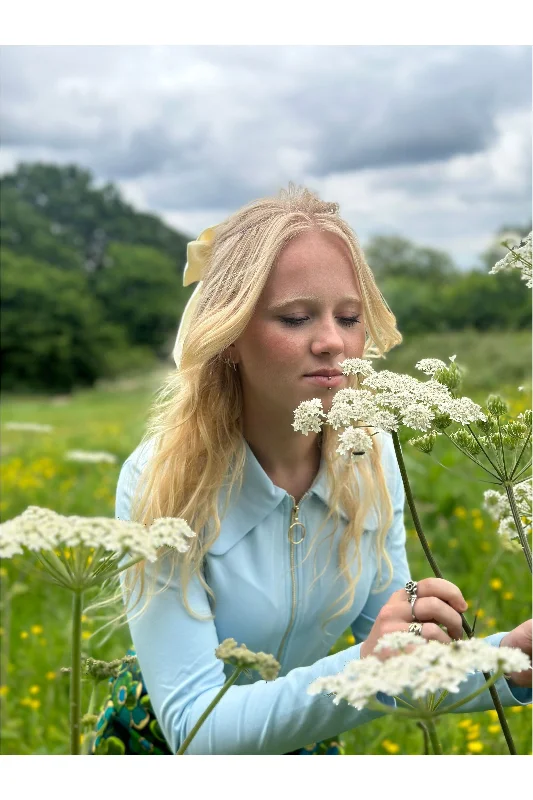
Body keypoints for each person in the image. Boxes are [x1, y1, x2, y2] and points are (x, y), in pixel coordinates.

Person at [92, 184, 532, 756]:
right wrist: (362, 665)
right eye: (296, 318)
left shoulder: (371, 460)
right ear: (228, 336)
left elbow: (398, 658)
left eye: (349, 317)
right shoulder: (162, 478)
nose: (332, 342)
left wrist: (513, 659)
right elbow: (195, 728)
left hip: (301, 732)